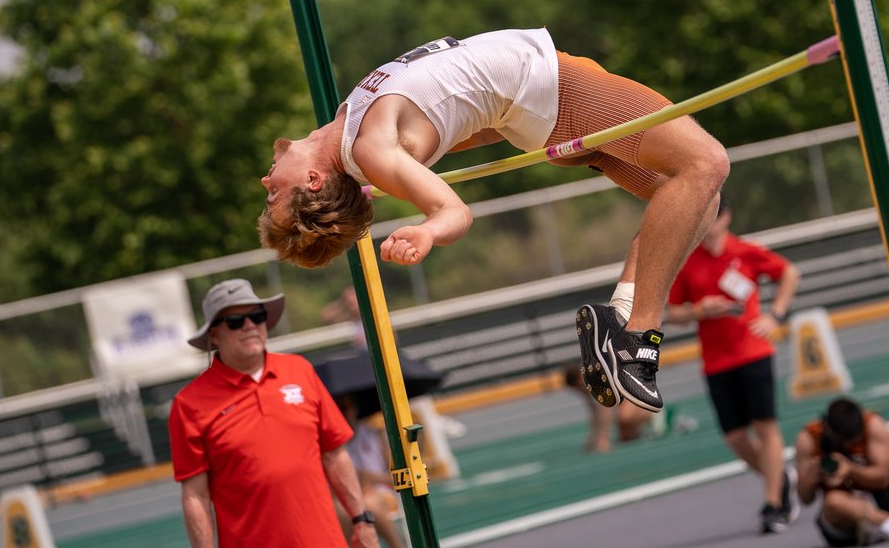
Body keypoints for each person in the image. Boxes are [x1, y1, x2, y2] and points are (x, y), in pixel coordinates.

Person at [258, 28, 729, 413]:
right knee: (705, 163)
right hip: (557, 88)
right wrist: (428, 229)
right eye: (274, 195)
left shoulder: (348, 128)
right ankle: (639, 333)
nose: (265, 180)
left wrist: (509, 117)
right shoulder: (370, 150)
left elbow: (455, 113)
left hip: (539, 109)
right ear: (314, 181)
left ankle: (621, 313)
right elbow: (454, 212)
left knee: (697, 202)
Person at [168, 279, 379, 548]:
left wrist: (362, 520)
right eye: (234, 320)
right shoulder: (189, 403)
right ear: (214, 335)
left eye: (257, 316)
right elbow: (195, 495)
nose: (249, 325)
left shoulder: (299, 370)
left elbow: (335, 454)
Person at [664, 199, 801, 534]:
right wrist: (700, 310)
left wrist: (776, 315)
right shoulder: (688, 261)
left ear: (726, 217)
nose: (707, 223)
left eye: (713, 216)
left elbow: (789, 273)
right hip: (716, 361)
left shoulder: (745, 251)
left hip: (753, 352)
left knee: (765, 425)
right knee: (735, 437)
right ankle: (779, 478)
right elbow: (674, 313)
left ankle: (774, 503)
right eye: (701, 216)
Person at [794, 397, 889, 546]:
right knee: (834, 503)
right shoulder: (809, 438)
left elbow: (884, 478)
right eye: (845, 441)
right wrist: (810, 477)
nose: (849, 446)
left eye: (854, 440)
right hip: (847, 514)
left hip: (886, 499)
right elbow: (805, 499)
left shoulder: (873, 424)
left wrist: (850, 469)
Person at [334, 395, 407, 548]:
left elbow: (400, 476)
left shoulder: (375, 434)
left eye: (347, 407)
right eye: (339, 408)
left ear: (354, 409)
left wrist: (373, 478)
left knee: (368, 505)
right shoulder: (333, 446)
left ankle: (398, 545)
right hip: (351, 499)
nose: (345, 413)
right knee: (340, 511)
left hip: (381, 494)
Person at [562, 364, 655, 453]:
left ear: (578, 380)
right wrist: (592, 438)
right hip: (625, 401)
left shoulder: (594, 378)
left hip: (635, 397)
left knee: (624, 416)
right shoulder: (584, 383)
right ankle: (644, 425)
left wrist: (603, 439)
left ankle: (654, 416)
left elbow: (606, 409)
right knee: (626, 436)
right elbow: (594, 410)